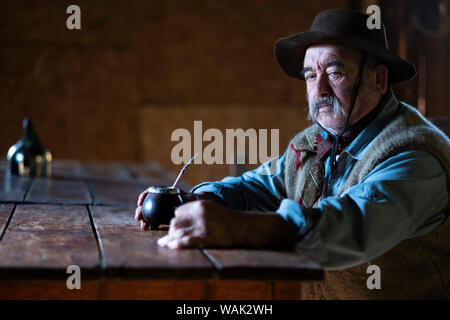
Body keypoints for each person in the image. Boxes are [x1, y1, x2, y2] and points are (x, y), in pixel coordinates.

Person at [135, 9, 450, 299]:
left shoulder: (416, 155)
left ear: (378, 80)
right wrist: (195, 201)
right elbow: (258, 186)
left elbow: (354, 225)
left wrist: (241, 229)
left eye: (335, 72)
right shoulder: (314, 142)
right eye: (311, 76)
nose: (320, 90)